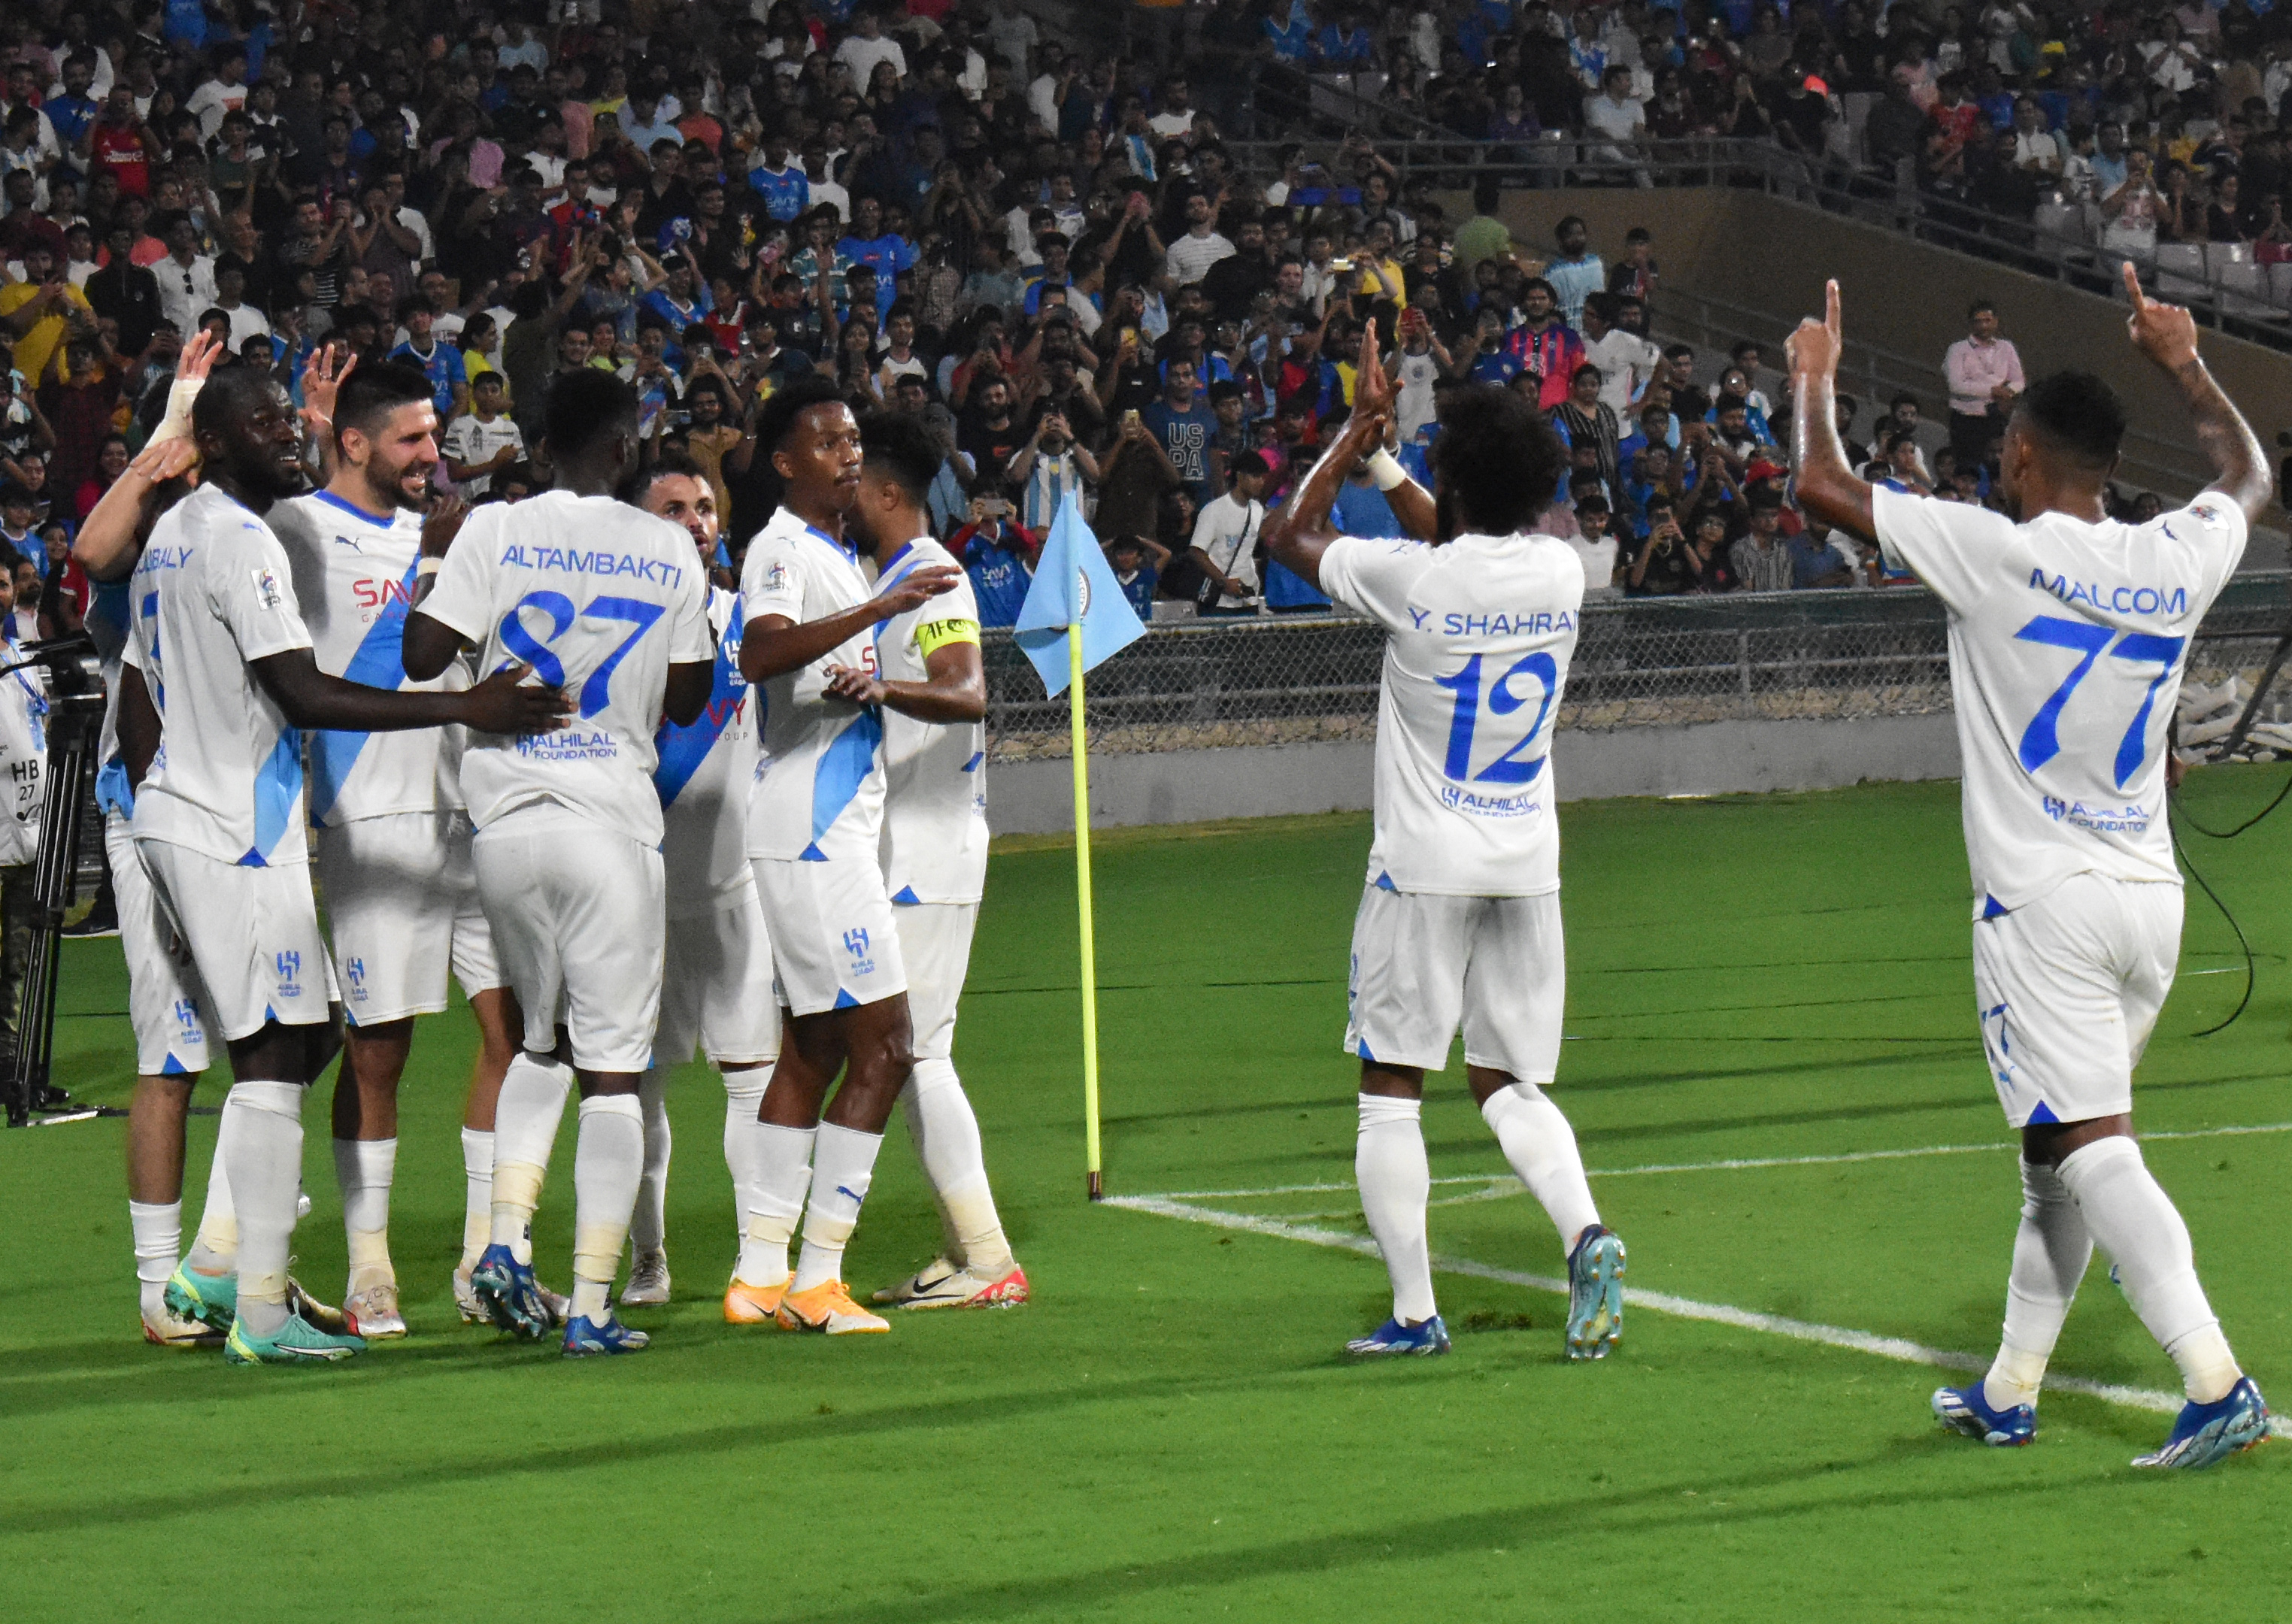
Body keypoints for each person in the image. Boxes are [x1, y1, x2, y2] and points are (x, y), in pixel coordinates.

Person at [1788, 269, 2273, 1469]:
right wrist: (2184, 360)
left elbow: (1819, 485)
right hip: (2147, 903)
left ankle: (2214, 1379)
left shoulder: (1991, 552)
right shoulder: (2173, 556)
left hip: (2041, 903)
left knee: (2091, 1142)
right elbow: (2252, 478)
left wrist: (1811, 376)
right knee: (2054, 1152)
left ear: (2017, 454)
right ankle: (2011, 1385)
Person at [120, 364, 567, 1365]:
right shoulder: (253, 538)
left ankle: (221, 1265)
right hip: (250, 824)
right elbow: (301, 692)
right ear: (220, 442)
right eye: (273, 427)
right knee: (291, 1057)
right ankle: (259, 1301)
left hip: (242, 821)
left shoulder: (176, 534)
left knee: (300, 1043)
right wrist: (463, 704)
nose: (297, 437)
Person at [1262, 323, 1627, 1362]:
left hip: (1423, 866)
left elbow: (1287, 538)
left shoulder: (1410, 582)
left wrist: (1352, 439)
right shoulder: (1563, 571)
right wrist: (1391, 461)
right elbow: (1461, 535)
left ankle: (1417, 1313)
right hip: (1526, 864)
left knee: (1392, 1083)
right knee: (1510, 1082)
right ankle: (1586, 1232)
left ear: (1454, 480)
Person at [404, 368, 715, 1358]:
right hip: (608, 830)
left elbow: (421, 654)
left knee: (539, 1045)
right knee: (613, 1077)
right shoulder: (667, 544)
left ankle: (501, 1244)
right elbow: (688, 696)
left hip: (505, 828)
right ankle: (589, 1304)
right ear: (623, 450)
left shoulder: (496, 529)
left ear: (543, 447)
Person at [268, 360, 544, 1339]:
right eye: (414, 439)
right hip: (374, 820)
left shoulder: (442, 538)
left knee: (518, 1033)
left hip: (471, 817)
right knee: (379, 1049)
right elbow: (314, 673)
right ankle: (371, 1269)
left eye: (436, 437)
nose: (438, 454)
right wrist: (313, 446)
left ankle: (485, 1262)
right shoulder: (304, 535)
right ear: (356, 444)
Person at [735, 373, 963, 1336]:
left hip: (817, 828)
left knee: (816, 1046)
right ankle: (820, 1279)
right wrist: (882, 610)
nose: (850, 455)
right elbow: (762, 652)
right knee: (890, 1045)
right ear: (786, 463)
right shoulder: (783, 551)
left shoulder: (827, 552)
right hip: (819, 836)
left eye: (855, 440)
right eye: (829, 443)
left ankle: (757, 1274)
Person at [841, 412, 1028, 1310]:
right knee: (911, 1053)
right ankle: (968, 1252)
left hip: (930, 849)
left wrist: (882, 689)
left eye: (853, 478)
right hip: (912, 845)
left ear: (886, 493)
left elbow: (968, 692)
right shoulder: (898, 579)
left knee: (920, 1053)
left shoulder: (935, 575)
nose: (842, 491)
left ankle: (989, 1258)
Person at [623, 453, 781, 1317]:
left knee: (751, 1078)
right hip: (636, 899)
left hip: (731, 893)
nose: (695, 521)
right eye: (674, 507)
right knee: (636, 1093)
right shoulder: (611, 629)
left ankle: (759, 1257)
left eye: (706, 507)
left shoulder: (749, 624)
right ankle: (647, 1259)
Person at [1942, 300, 2025, 472]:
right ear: (1971, 324)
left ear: (1996, 321)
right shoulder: (1958, 349)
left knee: (1996, 466)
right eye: (1979, 321)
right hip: (1967, 418)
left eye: (1988, 321)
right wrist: (1992, 391)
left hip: (1996, 416)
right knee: (1968, 466)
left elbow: (2019, 380)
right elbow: (1956, 385)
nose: (1984, 326)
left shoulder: (2006, 347)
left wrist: (2008, 392)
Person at [1190, 446, 1271, 613]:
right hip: (1219, 600)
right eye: (1256, 477)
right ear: (1240, 476)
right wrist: (1224, 582)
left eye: (1262, 477)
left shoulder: (1257, 509)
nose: (1261, 482)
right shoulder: (1214, 510)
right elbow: (1196, 551)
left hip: (1248, 597)